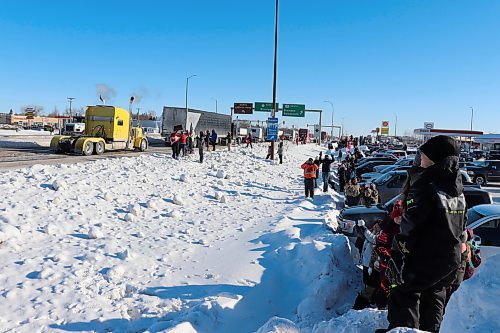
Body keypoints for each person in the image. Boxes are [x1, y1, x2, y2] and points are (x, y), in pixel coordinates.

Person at [377, 135, 466, 333]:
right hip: (450, 258)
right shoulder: (457, 189)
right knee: (434, 294)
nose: (420, 158)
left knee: (403, 291)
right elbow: (461, 223)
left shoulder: (426, 184)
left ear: (435, 158)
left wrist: (401, 235)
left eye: (423, 155)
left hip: (426, 256)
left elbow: (413, 223)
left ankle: (403, 330)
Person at [353, 219, 383, 310]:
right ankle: (371, 302)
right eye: (375, 225)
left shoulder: (381, 234)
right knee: (368, 283)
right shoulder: (371, 231)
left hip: (374, 265)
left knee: (372, 285)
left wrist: (365, 230)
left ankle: (362, 304)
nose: (375, 227)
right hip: (367, 263)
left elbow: (374, 240)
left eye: (377, 226)